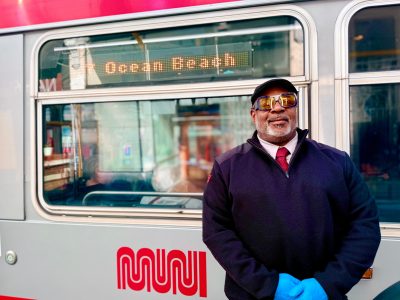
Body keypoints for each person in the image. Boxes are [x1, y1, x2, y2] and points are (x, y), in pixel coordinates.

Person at [202, 78, 381, 300]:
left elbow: (364, 227)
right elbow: (217, 232)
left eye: (287, 100)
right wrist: (267, 284)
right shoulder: (227, 167)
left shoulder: (337, 161)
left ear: (296, 109)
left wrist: (328, 284)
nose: (277, 108)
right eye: (266, 103)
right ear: (253, 114)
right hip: (252, 295)